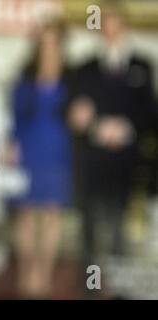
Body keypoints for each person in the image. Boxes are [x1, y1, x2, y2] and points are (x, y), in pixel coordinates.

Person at [66, 4, 156, 297]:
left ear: (125, 26)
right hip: (92, 162)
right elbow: (73, 110)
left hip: (125, 164)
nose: (110, 29)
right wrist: (93, 126)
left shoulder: (142, 66)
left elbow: (149, 113)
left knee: (119, 232)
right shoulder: (85, 68)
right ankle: (89, 290)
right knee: (90, 232)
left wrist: (127, 128)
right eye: (105, 23)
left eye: (116, 23)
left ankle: (119, 291)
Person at [8, 21, 72, 298]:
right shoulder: (25, 73)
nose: (48, 46)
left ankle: (43, 275)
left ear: (60, 42)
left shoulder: (72, 75)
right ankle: (26, 274)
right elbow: (16, 112)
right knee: (26, 212)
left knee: (52, 212)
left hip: (59, 148)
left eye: (53, 40)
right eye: (44, 40)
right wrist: (12, 141)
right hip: (30, 145)